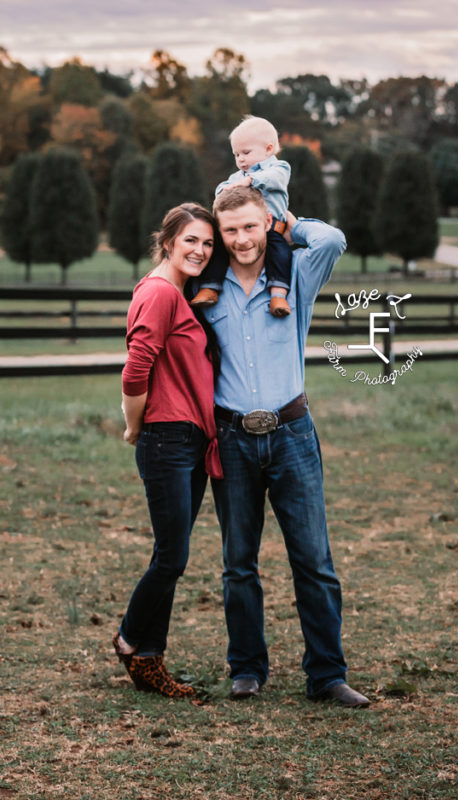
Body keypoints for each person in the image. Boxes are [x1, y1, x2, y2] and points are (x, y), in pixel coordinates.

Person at [205, 185, 370, 707]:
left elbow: (333, 239)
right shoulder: (206, 287)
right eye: (230, 230)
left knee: (314, 560)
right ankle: (247, 668)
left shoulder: (294, 277)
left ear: (265, 223)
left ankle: (327, 675)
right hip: (231, 437)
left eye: (250, 227)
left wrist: (287, 224)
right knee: (238, 561)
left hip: (291, 434)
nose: (241, 239)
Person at [113, 202, 222, 699]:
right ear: (168, 242)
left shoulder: (178, 293)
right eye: (191, 240)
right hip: (166, 439)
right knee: (173, 556)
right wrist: (135, 426)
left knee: (169, 553)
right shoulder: (159, 293)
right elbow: (135, 370)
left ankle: (150, 662)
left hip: (188, 439)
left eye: (207, 243)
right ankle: (129, 639)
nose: (200, 250)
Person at [191, 116, 293, 318]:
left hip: (273, 229)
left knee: (281, 255)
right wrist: (225, 190)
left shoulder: (278, 169)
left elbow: (273, 179)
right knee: (219, 248)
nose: (241, 159)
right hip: (242, 227)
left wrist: (250, 181)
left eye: (246, 153)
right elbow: (223, 188)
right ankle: (210, 287)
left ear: (269, 149)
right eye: (236, 154)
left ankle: (278, 294)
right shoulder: (237, 176)